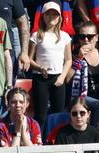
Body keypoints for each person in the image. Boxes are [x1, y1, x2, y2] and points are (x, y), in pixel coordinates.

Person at [28, 1, 72, 130]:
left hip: (58, 78)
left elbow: (68, 59)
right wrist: (40, 68)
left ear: (59, 17)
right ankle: (40, 141)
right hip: (40, 78)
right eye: (49, 14)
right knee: (40, 115)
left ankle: (56, 140)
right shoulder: (36, 35)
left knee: (58, 114)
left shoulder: (65, 36)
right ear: (43, 16)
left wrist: (62, 77)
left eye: (55, 14)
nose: (52, 17)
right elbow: (29, 59)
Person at [66, 21, 99, 105]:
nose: (86, 40)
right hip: (81, 103)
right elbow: (67, 79)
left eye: (90, 37)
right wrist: (79, 59)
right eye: (82, 37)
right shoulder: (72, 56)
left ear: (97, 37)